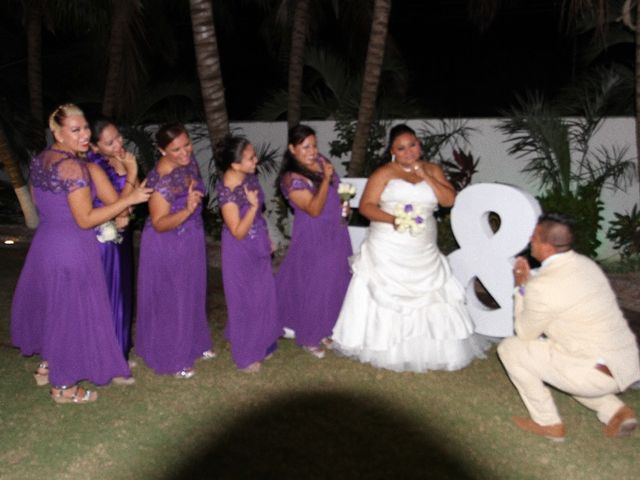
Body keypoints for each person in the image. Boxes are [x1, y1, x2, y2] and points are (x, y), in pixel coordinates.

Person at [11, 103, 151, 403]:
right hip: (72, 249)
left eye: (85, 127)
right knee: (70, 315)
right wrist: (135, 192)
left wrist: (129, 179)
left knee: (56, 310)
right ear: (57, 132)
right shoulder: (74, 167)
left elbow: (39, 201)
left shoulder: (41, 160)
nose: (84, 134)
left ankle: (48, 366)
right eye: (76, 130)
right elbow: (86, 218)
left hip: (46, 244)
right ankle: (63, 387)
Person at [331, 124, 487, 372]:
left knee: (431, 293)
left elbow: (449, 199)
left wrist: (425, 176)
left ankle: (431, 349)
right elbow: (367, 206)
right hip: (388, 243)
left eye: (412, 145)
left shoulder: (433, 169)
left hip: (423, 245)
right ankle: (385, 347)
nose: (408, 152)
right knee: (387, 293)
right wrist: (393, 219)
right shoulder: (384, 172)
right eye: (401, 148)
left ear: (419, 145)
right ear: (392, 151)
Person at [497, 213, 640, 441]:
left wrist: (521, 288)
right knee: (565, 362)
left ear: (544, 244)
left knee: (511, 348)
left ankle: (548, 423)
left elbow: (525, 332)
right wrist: (530, 286)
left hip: (592, 371)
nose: (530, 241)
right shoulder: (586, 265)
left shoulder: (543, 286)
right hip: (622, 364)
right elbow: (557, 293)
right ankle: (616, 412)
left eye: (533, 237)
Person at [135, 123, 214, 379]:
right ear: (161, 150)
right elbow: (159, 223)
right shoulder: (162, 178)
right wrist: (189, 210)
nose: (184, 152)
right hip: (167, 243)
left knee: (192, 292)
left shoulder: (189, 164)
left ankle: (195, 342)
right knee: (173, 300)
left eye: (187, 144)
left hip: (191, 236)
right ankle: (174, 357)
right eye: (176, 149)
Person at [275, 124, 352, 359]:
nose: (312, 151)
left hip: (335, 232)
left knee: (336, 281)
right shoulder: (291, 178)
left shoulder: (322, 162)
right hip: (313, 235)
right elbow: (313, 209)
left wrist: (344, 205)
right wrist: (326, 179)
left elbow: (338, 191)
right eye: (305, 146)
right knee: (314, 284)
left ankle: (326, 329)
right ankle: (309, 336)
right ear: (292, 149)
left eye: (314, 145)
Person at [214, 135, 280, 372]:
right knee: (244, 301)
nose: (256, 160)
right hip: (239, 250)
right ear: (235, 164)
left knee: (263, 295)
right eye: (251, 158)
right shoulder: (228, 191)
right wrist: (252, 207)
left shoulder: (249, 177)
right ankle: (246, 353)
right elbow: (238, 231)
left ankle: (264, 342)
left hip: (257, 241)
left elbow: (258, 217)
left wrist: (266, 236)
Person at [87, 118, 139, 361]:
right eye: (110, 142)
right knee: (110, 295)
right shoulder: (93, 167)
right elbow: (119, 208)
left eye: (118, 136)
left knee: (124, 292)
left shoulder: (121, 158)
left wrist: (130, 173)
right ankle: (110, 356)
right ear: (96, 148)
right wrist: (133, 172)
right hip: (104, 241)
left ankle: (120, 350)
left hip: (123, 235)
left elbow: (137, 199)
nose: (119, 143)